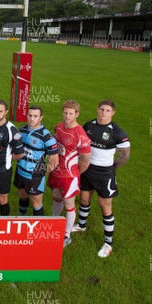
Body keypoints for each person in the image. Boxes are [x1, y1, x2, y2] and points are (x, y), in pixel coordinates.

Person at [71, 100, 131, 258]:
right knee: (84, 198)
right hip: (87, 169)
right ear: (97, 110)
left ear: (113, 113)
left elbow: (124, 156)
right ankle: (81, 225)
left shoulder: (118, 132)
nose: (104, 113)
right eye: (102, 109)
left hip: (105, 174)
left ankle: (108, 243)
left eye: (107, 110)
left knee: (105, 205)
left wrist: (111, 168)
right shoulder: (88, 125)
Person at [49, 100, 91, 248]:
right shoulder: (58, 127)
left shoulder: (80, 134)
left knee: (69, 204)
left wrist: (75, 174)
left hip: (69, 176)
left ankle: (66, 235)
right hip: (56, 172)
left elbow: (85, 160)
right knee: (56, 197)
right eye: (65, 113)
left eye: (71, 113)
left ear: (77, 114)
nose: (67, 116)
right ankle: (54, 222)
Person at [14, 105, 59, 216]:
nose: (32, 119)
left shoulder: (46, 136)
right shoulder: (22, 130)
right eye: (30, 115)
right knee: (22, 196)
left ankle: (38, 227)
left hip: (35, 175)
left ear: (41, 118)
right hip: (20, 171)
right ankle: (21, 218)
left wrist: (41, 173)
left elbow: (54, 160)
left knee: (36, 203)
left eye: (35, 116)